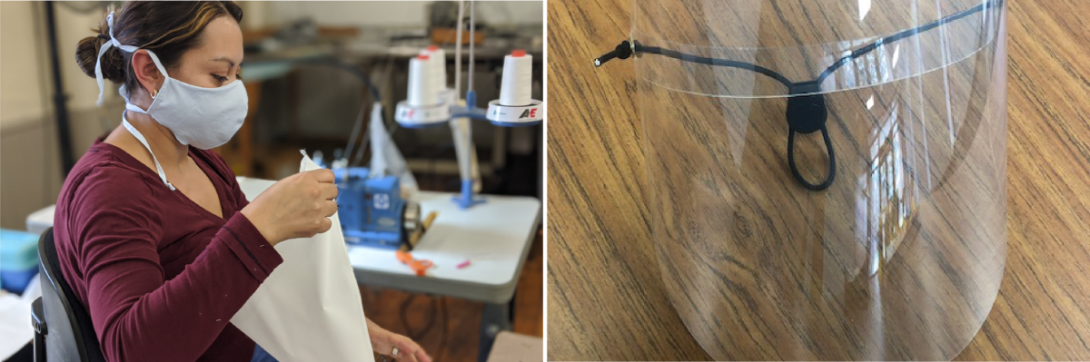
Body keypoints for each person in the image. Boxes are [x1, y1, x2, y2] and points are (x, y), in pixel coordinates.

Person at [59, 1, 433, 361]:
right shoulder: (111, 192)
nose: (234, 91)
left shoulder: (199, 158)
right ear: (149, 71)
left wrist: (354, 327)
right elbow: (132, 351)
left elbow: (254, 282)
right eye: (219, 75)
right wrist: (257, 228)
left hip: (251, 343)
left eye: (237, 74)